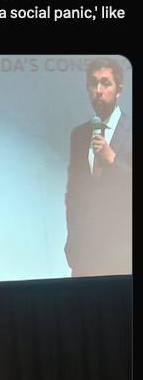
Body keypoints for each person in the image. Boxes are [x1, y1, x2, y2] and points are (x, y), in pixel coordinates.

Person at [64, 58, 132, 277]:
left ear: (119, 89)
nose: (99, 90)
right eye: (93, 84)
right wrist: (72, 240)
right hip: (86, 253)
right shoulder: (80, 135)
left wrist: (113, 161)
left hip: (125, 250)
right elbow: (73, 194)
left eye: (106, 83)